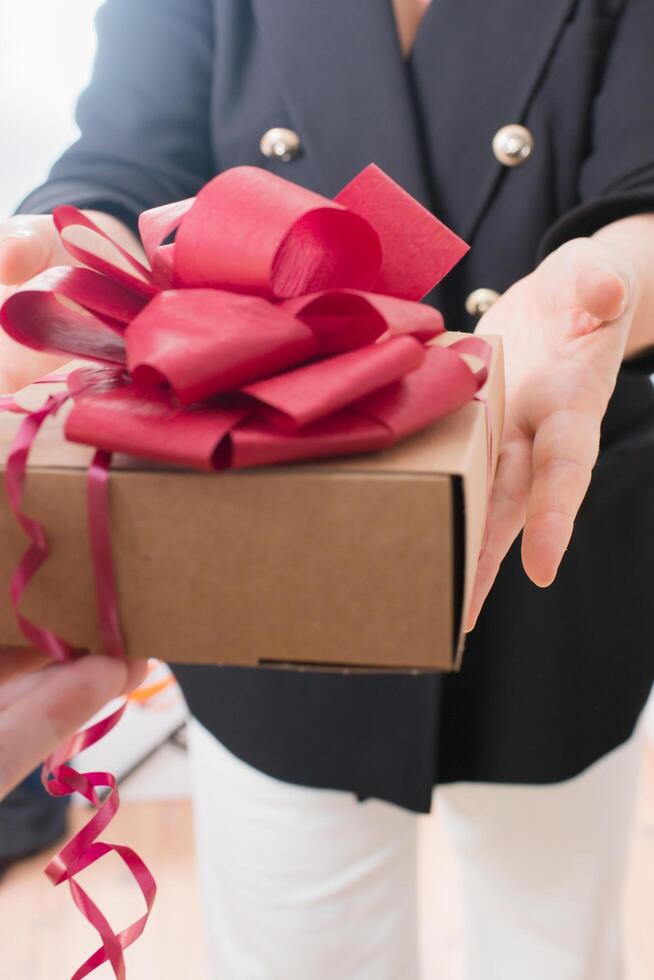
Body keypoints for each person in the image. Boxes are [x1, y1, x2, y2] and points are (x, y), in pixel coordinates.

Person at [1, 1, 654, 977]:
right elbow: (125, 161)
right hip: (273, 534)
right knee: (296, 940)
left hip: (552, 521)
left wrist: (603, 282)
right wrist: (63, 261)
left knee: (555, 938)